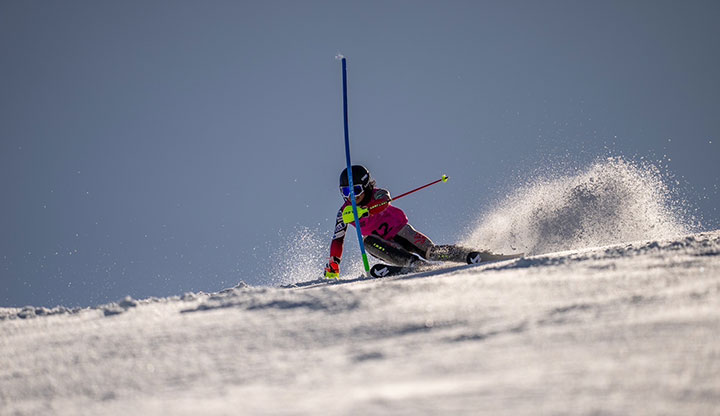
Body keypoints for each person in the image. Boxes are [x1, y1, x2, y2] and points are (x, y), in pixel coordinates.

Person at [324, 165, 501, 279]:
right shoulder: (344, 213)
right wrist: (334, 262)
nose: (350, 196)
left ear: (366, 186)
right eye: (345, 191)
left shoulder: (376, 194)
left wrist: (365, 211)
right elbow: (338, 239)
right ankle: (413, 265)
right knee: (368, 242)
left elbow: (385, 199)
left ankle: (469, 254)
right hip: (383, 245)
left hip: (401, 232)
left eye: (355, 190)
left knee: (431, 252)